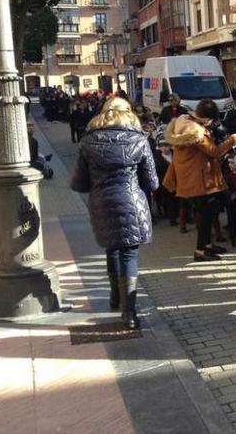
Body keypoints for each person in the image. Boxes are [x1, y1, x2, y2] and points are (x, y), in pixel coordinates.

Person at [70, 97, 159, 329]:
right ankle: (129, 313)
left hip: (101, 201)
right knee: (129, 254)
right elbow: (152, 182)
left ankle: (114, 296)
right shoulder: (139, 140)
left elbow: (79, 183)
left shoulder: (88, 140)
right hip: (131, 200)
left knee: (112, 248)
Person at [163, 99, 236, 262]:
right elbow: (214, 151)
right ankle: (200, 251)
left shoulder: (184, 121)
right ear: (205, 118)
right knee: (205, 215)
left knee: (209, 211)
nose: (211, 123)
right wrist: (233, 139)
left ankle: (207, 246)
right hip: (199, 180)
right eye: (210, 119)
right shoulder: (195, 133)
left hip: (194, 178)